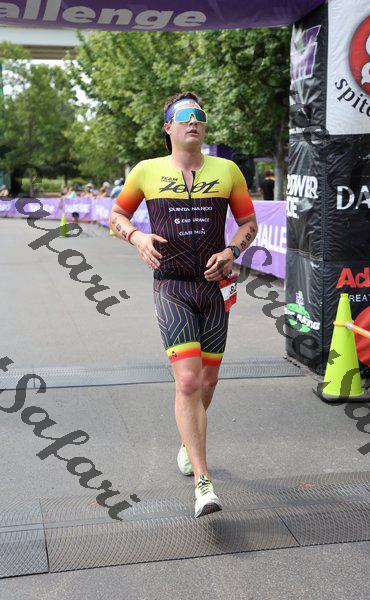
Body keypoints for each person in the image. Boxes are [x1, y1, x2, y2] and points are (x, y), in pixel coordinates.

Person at [109, 92, 258, 518]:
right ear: (168, 127)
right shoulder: (146, 170)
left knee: (207, 383)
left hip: (215, 288)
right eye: (185, 116)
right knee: (188, 382)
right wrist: (137, 236)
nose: (194, 121)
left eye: (200, 116)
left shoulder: (227, 171)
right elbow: (116, 216)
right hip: (172, 286)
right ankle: (202, 482)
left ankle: (186, 442)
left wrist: (232, 251)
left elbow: (248, 223)